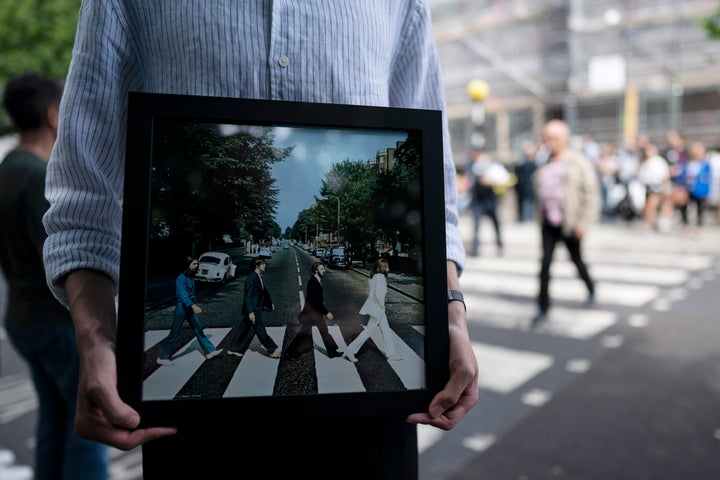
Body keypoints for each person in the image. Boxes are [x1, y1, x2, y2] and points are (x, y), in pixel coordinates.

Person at [41, 2, 479, 478]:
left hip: (373, 420)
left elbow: (431, 182)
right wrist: (97, 339)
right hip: (195, 428)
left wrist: (451, 311)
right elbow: (85, 194)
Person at [0, 71, 109, 480]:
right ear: (53, 116)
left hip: (21, 321)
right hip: (57, 324)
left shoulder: (8, 168)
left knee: (53, 422)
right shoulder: (39, 178)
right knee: (88, 432)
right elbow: (62, 256)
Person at [531, 119, 601, 328]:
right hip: (548, 223)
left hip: (570, 223)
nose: (549, 142)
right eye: (547, 138)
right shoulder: (543, 162)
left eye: (554, 138)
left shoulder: (577, 161)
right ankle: (543, 307)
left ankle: (591, 288)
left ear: (565, 139)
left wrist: (584, 223)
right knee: (544, 266)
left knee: (577, 260)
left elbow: (591, 194)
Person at [156, 256, 223, 365]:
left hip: (189, 306)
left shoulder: (191, 276)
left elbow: (191, 293)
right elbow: (183, 295)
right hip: (182, 307)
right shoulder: (181, 278)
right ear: (187, 265)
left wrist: (193, 302)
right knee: (174, 332)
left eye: (197, 264)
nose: (196, 266)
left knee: (198, 329)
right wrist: (192, 305)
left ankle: (210, 351)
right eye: (193, 264)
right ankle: (162, 357)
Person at [338, 258, 400, 362]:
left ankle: (391, 354)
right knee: (368, 331)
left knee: (385, 330)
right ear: (382, 268)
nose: (388, 269)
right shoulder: (380, 277)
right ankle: (351, 350)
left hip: (375, 307)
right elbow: (378, 294)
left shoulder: (373, 276)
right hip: (378, 308)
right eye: (387, 267)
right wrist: (382, 305)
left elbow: (370, 292)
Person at [283, 261, 342, 361]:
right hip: (312, 313)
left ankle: (332, 351)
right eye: (322, 269)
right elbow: (316, 301)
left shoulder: (316, 280)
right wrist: (326, 312)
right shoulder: (313, 283)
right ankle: (289, 353)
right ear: (316, 271)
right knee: (304, 333)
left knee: (324, 331)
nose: (324, 271)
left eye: (324, 269)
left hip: (315, 313)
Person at [226, 258, 281, 358]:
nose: (265, 265)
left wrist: (269, 304)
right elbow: (248, 296)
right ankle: (271, 350)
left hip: (256, 307)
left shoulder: (258, 276)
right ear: (257, 266)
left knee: (243, 329)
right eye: (263, 264)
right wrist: (251, 312)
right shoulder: (251, 278)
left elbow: (264, 292)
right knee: (260, 330)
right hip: (253, 309)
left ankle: (233, 348)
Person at [464, 147, 510, 256]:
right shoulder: (471, 166)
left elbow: (504, 178)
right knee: (476, 225)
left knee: (495, 224)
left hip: (490, 199)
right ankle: (475, 249)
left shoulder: (492, 165)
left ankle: (499, 245)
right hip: (478, 200)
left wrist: (490, 181)